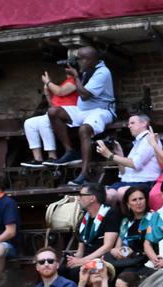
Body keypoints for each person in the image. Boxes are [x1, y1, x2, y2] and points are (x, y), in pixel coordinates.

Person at [44, 46, 116, 188]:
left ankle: (84, 173)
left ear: (93, 60)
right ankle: (70, 151)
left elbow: (84, 95)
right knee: (53, 112)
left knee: (84, 130)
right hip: (83, 110)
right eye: (78, 59)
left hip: (101, 110)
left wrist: (76, 76)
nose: (80, 62)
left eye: (83, 59)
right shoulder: (86, 70)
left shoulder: (102, 72)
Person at [98, 113, 162, 206]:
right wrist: (119, 155)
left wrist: (110, 155)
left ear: (144, 123)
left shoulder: (149, 139)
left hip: (145, 182)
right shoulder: (138, 142)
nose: (129, 126)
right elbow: (123, 173)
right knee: (106, 194)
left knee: (121, 192)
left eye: (132, 123)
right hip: (128, 182)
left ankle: (128, 219)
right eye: (128, 124)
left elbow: (135, 164)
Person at [21, 69, 77, 167]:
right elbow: (52, 106)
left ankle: (52, 156)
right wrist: (47, 90)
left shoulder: (75, 80)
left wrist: (48, 82)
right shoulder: (64, 82)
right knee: (29, 123)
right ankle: (37, 158)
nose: (66, 71)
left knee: (43, 121)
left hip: (69, 112)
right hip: (55, 112)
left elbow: (60, 92)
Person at [66, 183, 121, 278]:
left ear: (92, 198)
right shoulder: (84, 217)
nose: (79, 198)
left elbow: (107, 246)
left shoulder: (110, 214)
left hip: (101, 260)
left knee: (75, 273)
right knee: (62, 271)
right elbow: (81, 249)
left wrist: (81, 261)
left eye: (81, 195)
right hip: (86, 259)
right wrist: (74, 259)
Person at [106, 185, 150, 273]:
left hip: (143, 259)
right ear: (128, 204)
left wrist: (133, 252)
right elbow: (118, 246)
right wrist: (115, 251)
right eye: (134, 200)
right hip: (126, 259)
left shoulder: (153, 218)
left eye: (141, 199)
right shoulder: (126, 222)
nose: (138, 202)